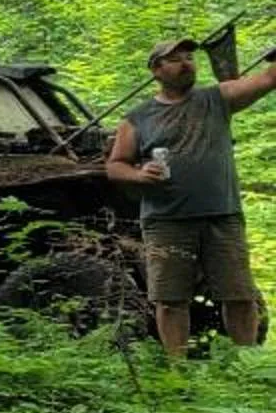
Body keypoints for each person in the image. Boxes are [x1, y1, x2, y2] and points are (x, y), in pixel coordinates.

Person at [103, 36, 276, 355]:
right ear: (156, 70)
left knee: (239, 295)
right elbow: (115, 166)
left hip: (222, 215)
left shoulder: (217, 98)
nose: (187, 63)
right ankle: (177, 372)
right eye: (176, 59)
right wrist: (139, 174)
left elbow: (268, 78)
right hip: (166, 221)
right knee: (170, 300)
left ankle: (247, 364)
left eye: (190, 57)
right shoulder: (137, 118)